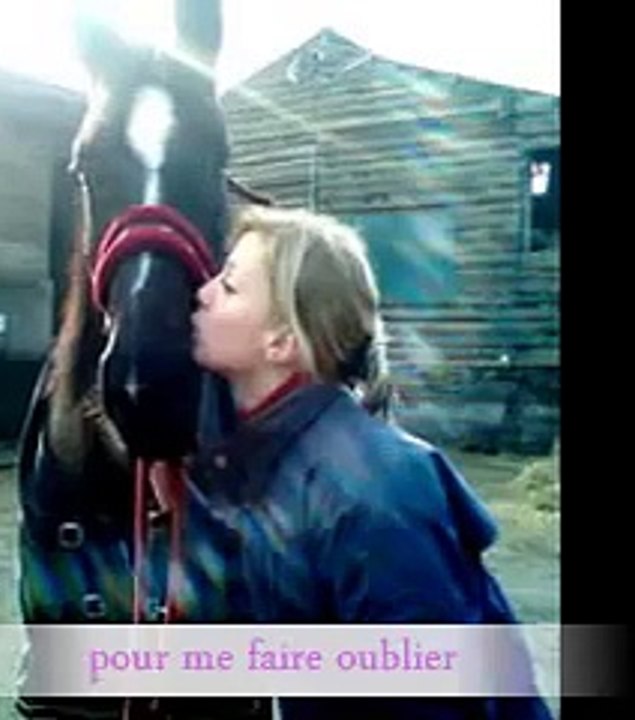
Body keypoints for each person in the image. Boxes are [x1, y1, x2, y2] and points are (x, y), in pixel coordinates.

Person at [183, 204, 553, 719]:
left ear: (281, 341)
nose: (202, 294)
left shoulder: (370, 492)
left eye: (229, 286)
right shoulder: (277, 467)